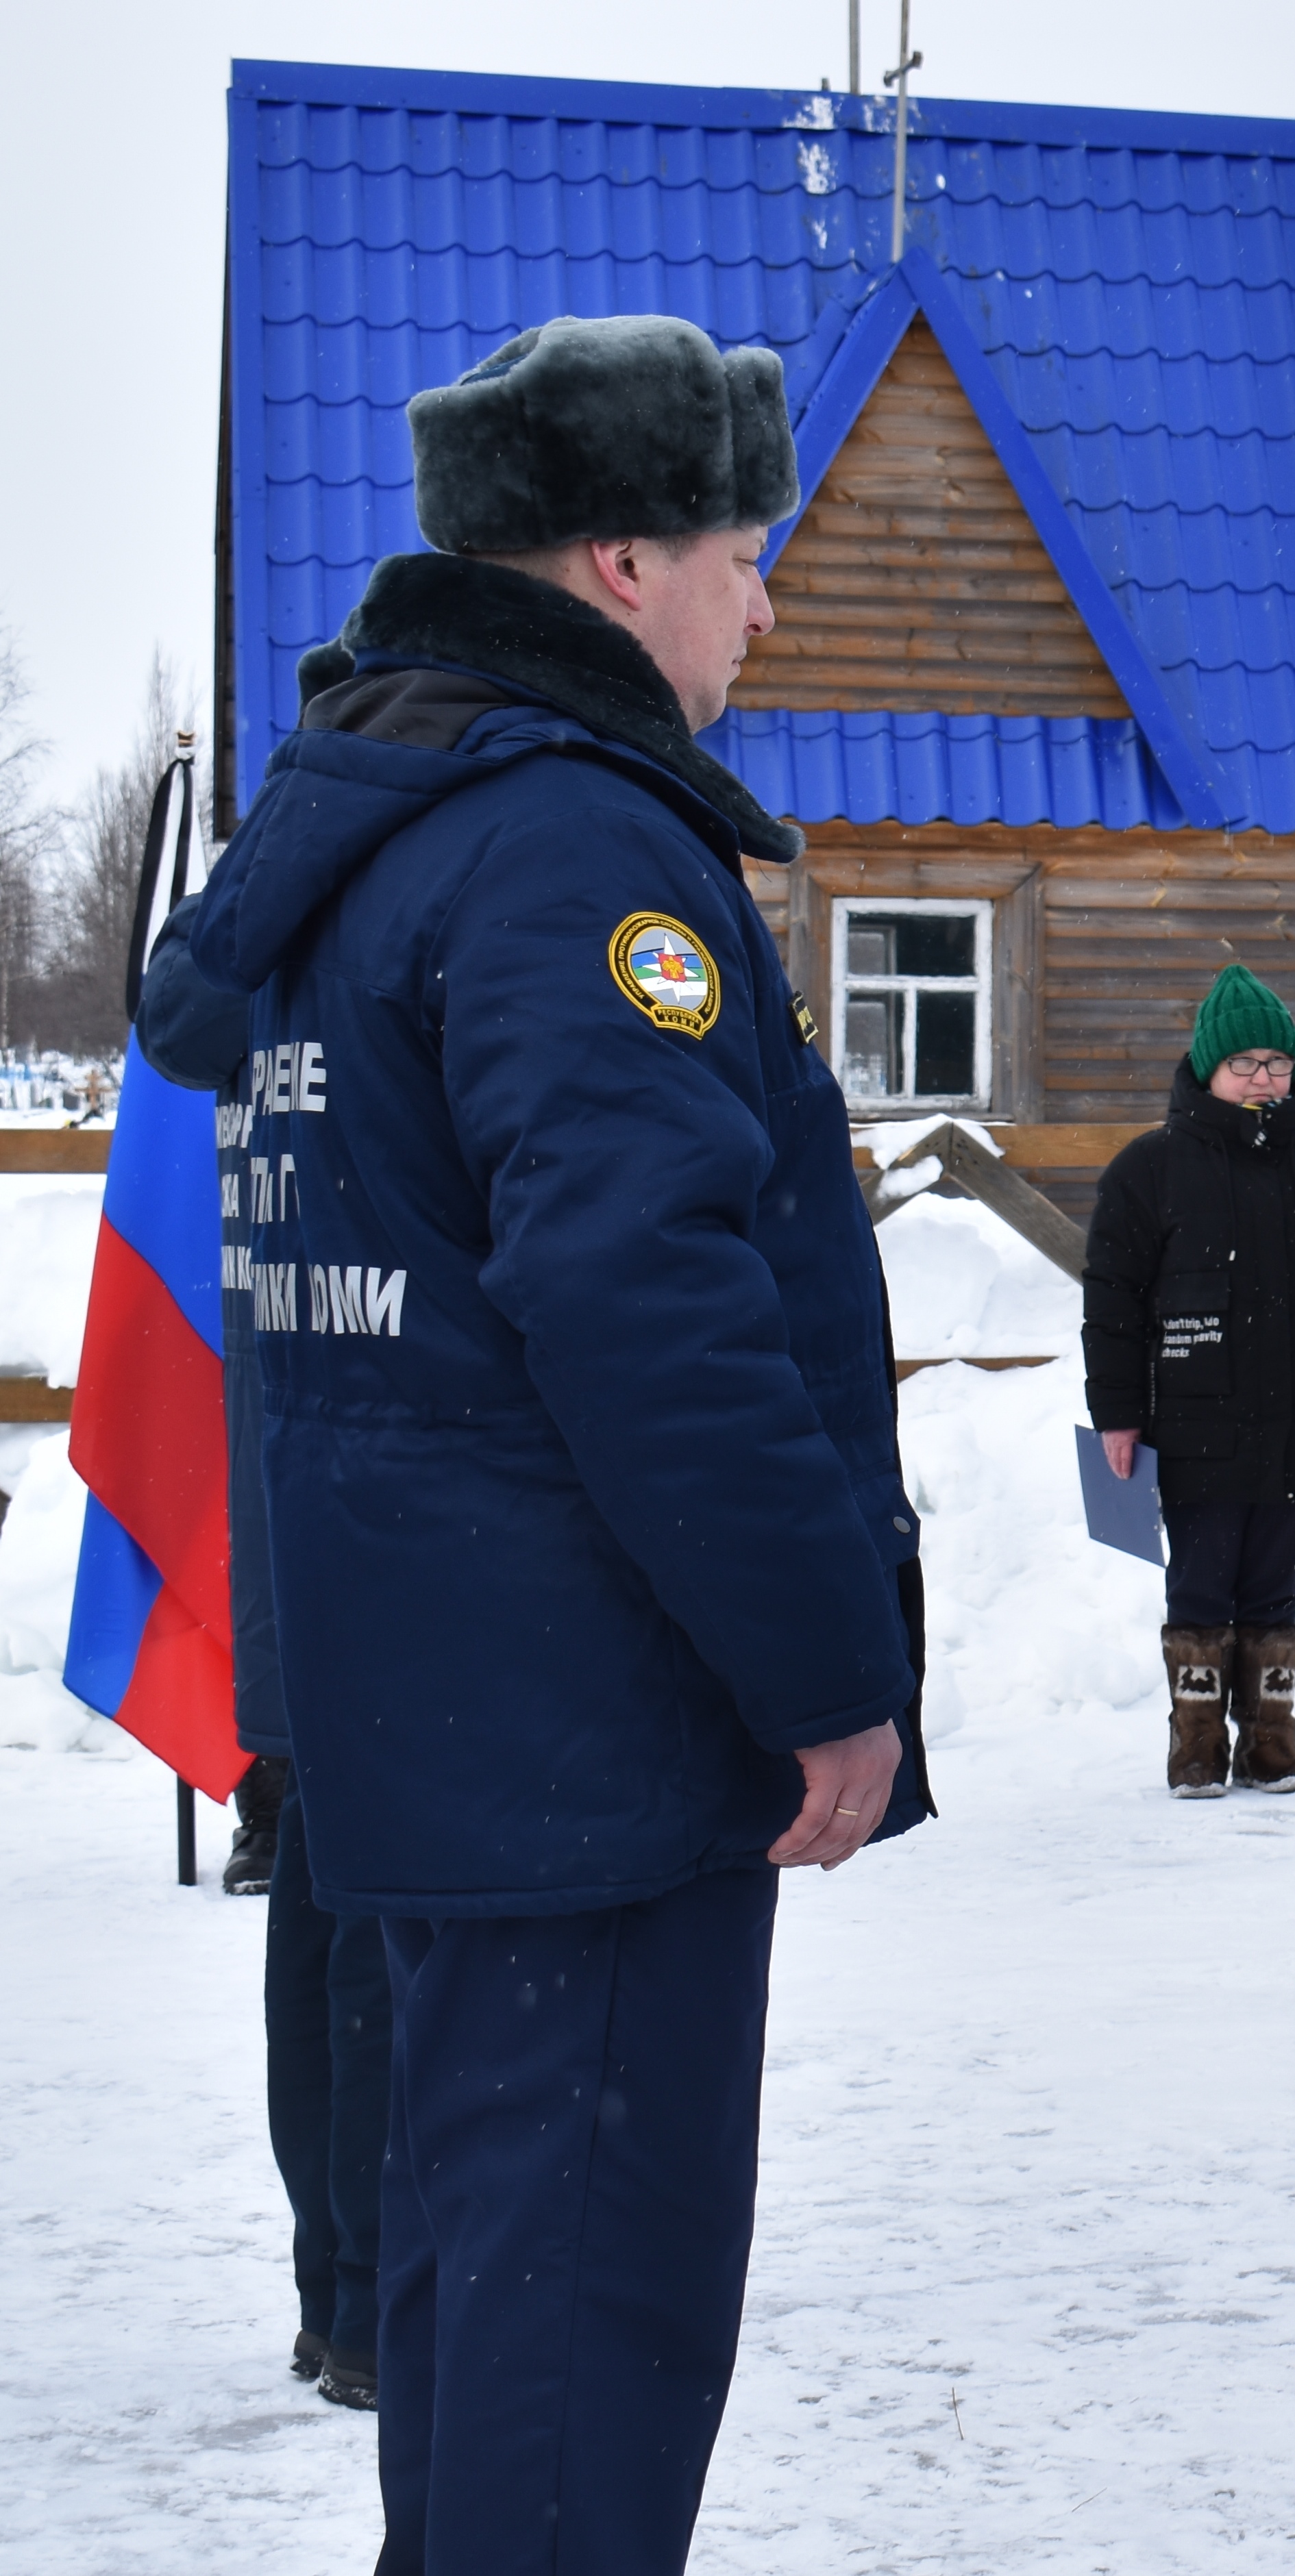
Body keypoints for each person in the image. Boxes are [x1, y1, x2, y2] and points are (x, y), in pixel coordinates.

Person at [177, 311, 930, 2573]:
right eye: (738, 548)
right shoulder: (567, 846)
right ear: (619, 561)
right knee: (581, 2357)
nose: (763, 598)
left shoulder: (378, 836)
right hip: (586, 1743)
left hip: (435, 1712)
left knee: (490, 2311)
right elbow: (644, 1300)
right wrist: (823, 1674)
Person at [143, 905, 392, 2415]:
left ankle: (337, 2293)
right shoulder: (388, 945)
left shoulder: (252, 948)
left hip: (292, 1538)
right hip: (401, 1552)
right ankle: (367, 2299)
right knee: (377, 1952)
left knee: (319, 1923)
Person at [1083, 963, 1295, 1797]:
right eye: (1243, 1063)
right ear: (1207, 1070)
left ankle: (1270, 1740)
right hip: (1194, 1430)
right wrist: (1116, 1414)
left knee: (1275, 1583)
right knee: (1199, 1581)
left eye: (1276, 1062)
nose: (1263, 1078)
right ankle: (1195, 1745)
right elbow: (1112, 1306)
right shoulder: (1149, 1169)